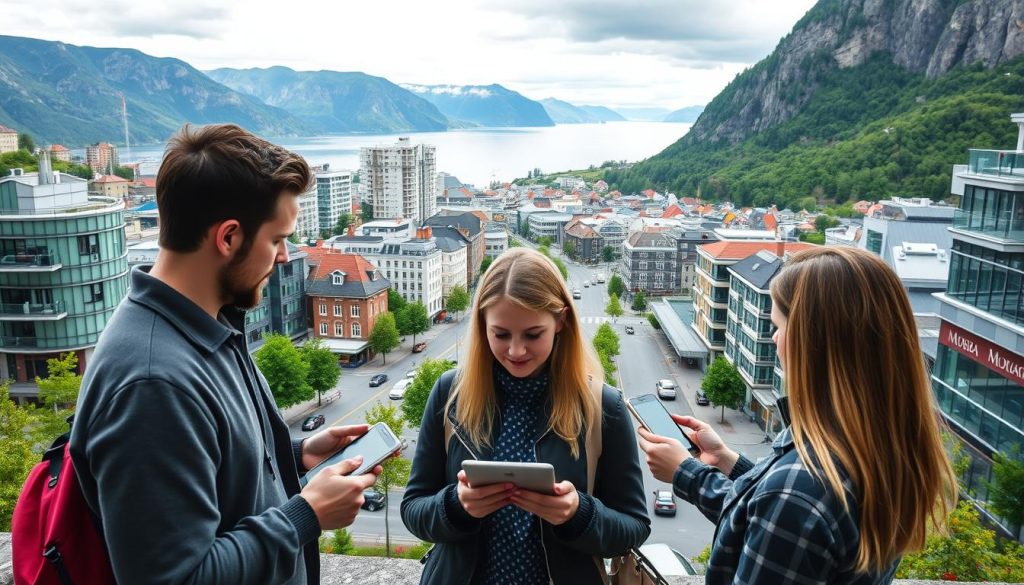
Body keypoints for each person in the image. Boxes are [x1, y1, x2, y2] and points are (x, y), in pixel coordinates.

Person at [70, 124, 381, 584]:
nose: (284, 256)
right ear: (229, 237)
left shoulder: (206, 323)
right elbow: (174, 578)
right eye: (277, 239)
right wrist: (306, 514)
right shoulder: (153, 383)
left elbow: (214, 473)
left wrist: (295, 455)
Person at [639, 246, 957, 584]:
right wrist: (728, 461)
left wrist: (687, 473)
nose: (774, 339)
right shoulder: (878, 449)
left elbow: (788, 507)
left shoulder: (796, 493)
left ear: (813, 343)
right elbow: (770, 521)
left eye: (778, 325)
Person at [401, 247, 650, 584]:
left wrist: (579, 514)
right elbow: (413, 509)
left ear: (561, 321)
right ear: (482, 325)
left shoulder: (604, 406)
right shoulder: (450, 393)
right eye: (500, 334)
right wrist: (457, 506)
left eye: (533, 334)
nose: (516, 351)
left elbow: (634, 528)